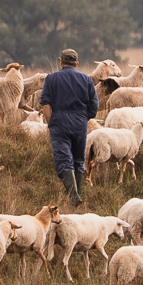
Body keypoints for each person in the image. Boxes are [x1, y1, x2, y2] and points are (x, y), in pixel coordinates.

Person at [40, 49, 99, 207]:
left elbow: (45, 103)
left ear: (61, 61)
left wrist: (51, 122)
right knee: (78, 161)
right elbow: (94, 106)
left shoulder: (51, 78)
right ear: (77, 63)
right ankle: (76, 198)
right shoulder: (86, 79)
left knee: (63, 159)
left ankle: (73, 197)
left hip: (59, 121)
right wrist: (84, 118)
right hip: (80, 122)